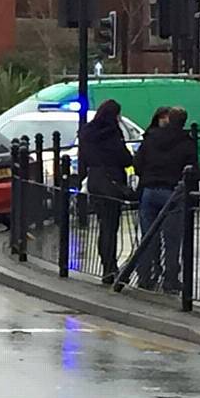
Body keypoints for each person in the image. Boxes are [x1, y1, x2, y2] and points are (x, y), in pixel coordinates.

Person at [134, 107, 197, 293]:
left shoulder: (151, 137)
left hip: (149, 190)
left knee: (147, 237)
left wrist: (147, 175)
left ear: (169, 119)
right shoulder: (186, 142)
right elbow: (192, 171)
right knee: (172, 239)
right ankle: (170, 280)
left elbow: (137, 163)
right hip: (173, 192)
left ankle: (145, 276)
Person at [79, 99, 133, 284]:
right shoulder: (112, 133)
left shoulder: (87, 132)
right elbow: (125, 158)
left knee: (104, 225)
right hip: (112, 182)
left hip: (95, 181)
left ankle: (107, 265)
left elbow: (83, 159)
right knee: (111, 227)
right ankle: (110, 268)